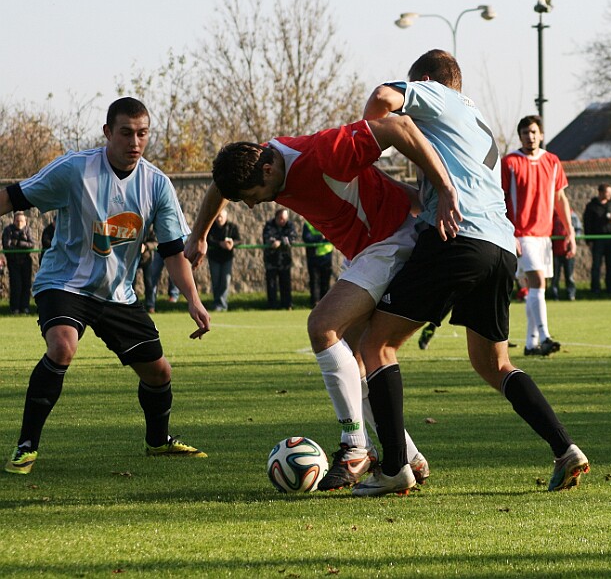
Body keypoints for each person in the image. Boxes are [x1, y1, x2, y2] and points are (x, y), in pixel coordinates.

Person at [356, 49, 589, 496]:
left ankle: (392, 468)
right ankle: (565, 449)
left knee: (376, 343)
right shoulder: (473, 119)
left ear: (426, 80)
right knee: (493, 363)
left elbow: (382, 97)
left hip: (458, 239)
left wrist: (369, 141)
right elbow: (438, 194)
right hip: (500, 247)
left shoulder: (435, 95)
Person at [184, 113, 452, 492]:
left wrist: (443, 189)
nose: (249, 207)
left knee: (322, 327)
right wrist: (199, 235)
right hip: (368, 249)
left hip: (391, 238)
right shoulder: (265, 159)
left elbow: (398, 126)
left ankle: (355, 447)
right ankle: (407, 456)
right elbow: (219, 187)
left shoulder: (323, 154)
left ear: (267, 170)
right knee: (357, 361)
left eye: (251, 197)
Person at [3, 97, 210, 475]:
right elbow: (14, 196)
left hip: (117, 293)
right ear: (107, 133)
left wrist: (192, 299)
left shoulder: (157, 184)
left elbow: (171, 250)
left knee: (159, 373)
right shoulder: (75, 170)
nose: (135, 142)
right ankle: (25, 446)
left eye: (142, 134)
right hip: (64, 282)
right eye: (127, 133)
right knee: (63, 347)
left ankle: (157, 442)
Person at [501, 114, 575, 356]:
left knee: (537, 289)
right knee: (538, 283)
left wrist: (570, 233)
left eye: (534, 132)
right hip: (520, 234)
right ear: (520, 136)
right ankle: (544, 336)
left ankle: (530, 343)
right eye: (525, 133)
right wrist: (507, 231)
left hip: (544, 236)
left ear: (541, 135)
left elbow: (560, 199)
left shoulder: (552, 162)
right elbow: (499, 199)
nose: (530, 137)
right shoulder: (509, 162)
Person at [583, 184, 611, 295]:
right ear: (601, 192)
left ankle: (610, 289)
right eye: (607, 192)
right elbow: (587, 223)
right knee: (596, 265)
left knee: (610, 265)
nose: (609, 195)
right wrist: (589, 241)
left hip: (610, 239)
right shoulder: (591, 206)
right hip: (597, 240)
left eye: (610, 192)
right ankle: (595, 289)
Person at [262, 208, 298, 310]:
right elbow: (268, 238)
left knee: (286, 284)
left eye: (285, 219)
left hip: (285, 261)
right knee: (272, 284)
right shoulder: (269, 225)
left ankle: (287, 304)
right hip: (271, 261)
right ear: (276, 218)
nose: (283, 221)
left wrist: (280, 242)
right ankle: (272, 305)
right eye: (281, 219)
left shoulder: (289, 225)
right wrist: (280, 241)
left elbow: (293, 238)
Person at [206, 207, 241, 311]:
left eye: (221, 217)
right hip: (214, 258)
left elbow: (239, 240)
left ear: (225, 217)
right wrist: (220, 244)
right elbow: (208, 239)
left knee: (225, 281)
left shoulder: (232, 227)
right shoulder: (211, 227)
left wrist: (232, 244)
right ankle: (217, 303)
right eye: (217, 217)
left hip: (227, 258)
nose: (219, 219)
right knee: (216, 281)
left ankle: (223, 304)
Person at [2, 211, 35, 314]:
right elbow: (7, 245)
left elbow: (32, 244)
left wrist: (19, 243)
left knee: (26, 285)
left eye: (21, 221)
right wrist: (17, 245)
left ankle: (25, 307)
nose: (19, 223)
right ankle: (14, 308)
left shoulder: (27, 230)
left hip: (25, 261)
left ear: (25, 221)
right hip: (13, 261)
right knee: (16, 285)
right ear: (13, 221)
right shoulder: (8, 230)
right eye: (17, 221)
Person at [302, 220, 334, 307]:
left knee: (325, 281)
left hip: (326, 256)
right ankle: (315, 302)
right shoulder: (308, 224)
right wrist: (320, 237)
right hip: (313, 257)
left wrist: (322, 237)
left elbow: (333, 235)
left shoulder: (328, 221)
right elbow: (307, 238)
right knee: (314, 281)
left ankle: (325, 303)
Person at [550, 211, 576, 301]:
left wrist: (573, 239)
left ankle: (571, 294)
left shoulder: (571, 214)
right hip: (554, 251)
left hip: (567, 251)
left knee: (569, 275)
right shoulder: (551, 215)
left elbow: (578, 229)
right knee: (555, 276)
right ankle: (554, 295)